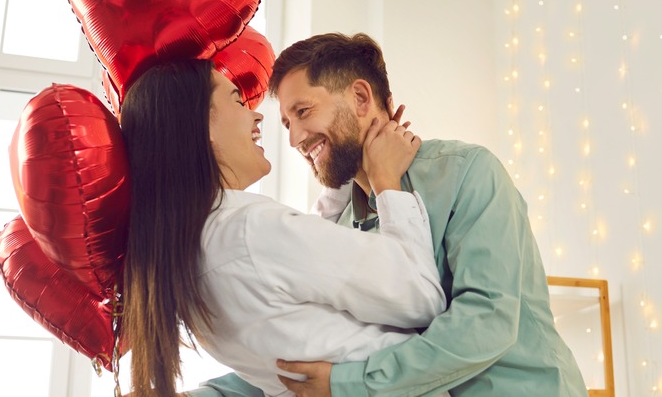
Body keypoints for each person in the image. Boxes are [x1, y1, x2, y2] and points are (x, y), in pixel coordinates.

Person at [197, 33, 588, 396]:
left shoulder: (467, 172)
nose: (296, 139)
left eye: (303, 112)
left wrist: (348, 383)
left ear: (361, 99)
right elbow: (303, 345)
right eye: (287, 123)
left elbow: (487, 323)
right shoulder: (338, 222)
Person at [119, 58, 447, 397]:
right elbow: (422, 296)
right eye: (236, 101)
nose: (256, 115)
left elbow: (295, 285)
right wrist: (385, 180)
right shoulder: (251, 230)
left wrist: (342, 170)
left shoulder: (190, 256)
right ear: (201, 129)